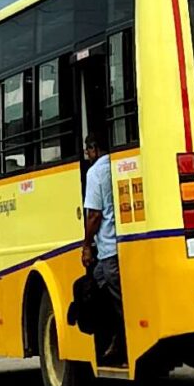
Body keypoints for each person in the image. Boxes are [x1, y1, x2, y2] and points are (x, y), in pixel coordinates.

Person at [81, 133, 125, 365]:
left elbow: (95, 214)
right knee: (94, 283)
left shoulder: (95, 172)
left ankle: (122, 339)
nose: (87, 155)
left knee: (117, 299)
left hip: (108, 250)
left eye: (87, 151)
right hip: (121, 245)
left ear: (95, 148)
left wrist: (87, 245)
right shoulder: (119, 163)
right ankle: (111, 337)